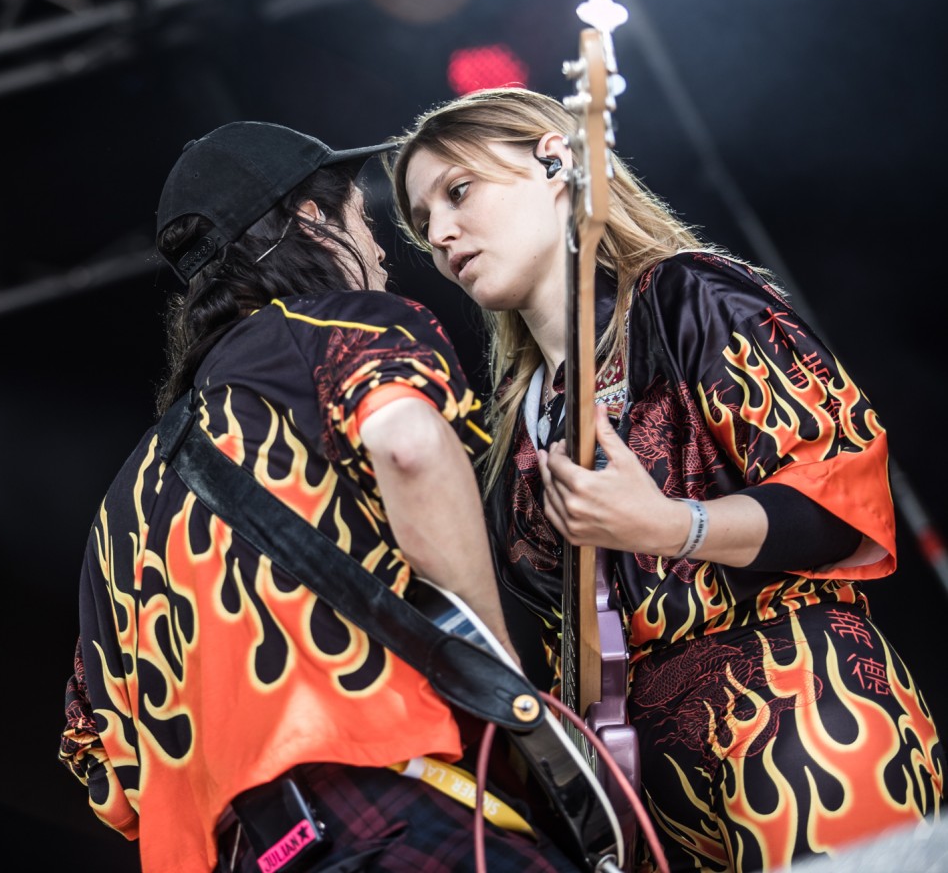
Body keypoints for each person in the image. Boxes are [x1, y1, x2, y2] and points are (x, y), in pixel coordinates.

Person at [388, 86, 945, 871]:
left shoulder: (688, 295)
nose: (441, 234)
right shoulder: (515, 424)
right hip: (650, 800)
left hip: (799, 714)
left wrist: (672, 527)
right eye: (421, 223)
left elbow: (842, 499)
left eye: (459, 191)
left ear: (556, 162)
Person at [57, 121, 582, 873]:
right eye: (364, 221)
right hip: (401, 816)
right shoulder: (338, 331)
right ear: (313, 220)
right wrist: (506, 692)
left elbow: (102, 767)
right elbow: (409, 444)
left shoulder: (122, 504)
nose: (379, 252)